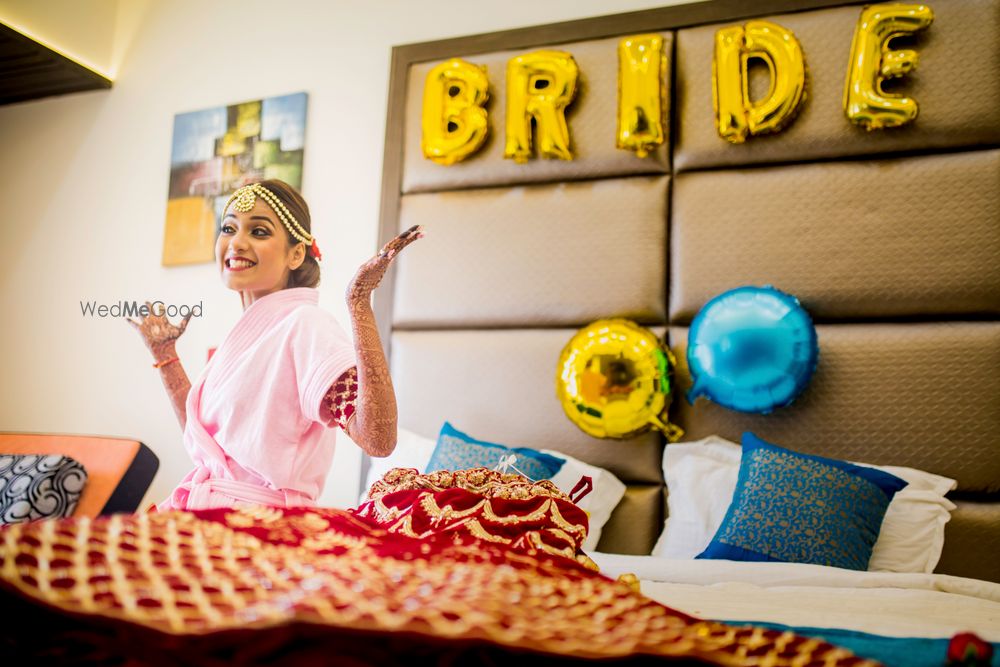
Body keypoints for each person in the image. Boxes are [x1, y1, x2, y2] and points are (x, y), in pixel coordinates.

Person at [128, 179, 422, 510]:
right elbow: (209, 444)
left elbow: (378, 439)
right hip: (208, 513)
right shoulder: (246, 337)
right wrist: (166, 357)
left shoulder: (306, 325)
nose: (236, 243)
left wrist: (359, 302)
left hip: (263, 522)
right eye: (228, 228)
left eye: (259, 232)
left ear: (296, 254)